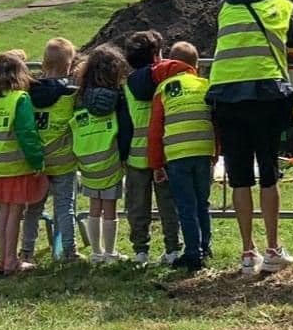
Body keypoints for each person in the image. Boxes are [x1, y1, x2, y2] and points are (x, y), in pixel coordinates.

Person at [205, 0, 293, 276]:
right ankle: (273, 249)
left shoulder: (224, 7)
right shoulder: (280, 6)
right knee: (268, 172)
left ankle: (247, 253)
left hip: (227, 97)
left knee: (238, 177)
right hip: (265, 96)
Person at [149, 41, 216, 272]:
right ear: (196, 65)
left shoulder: (163, 89)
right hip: (203, 151)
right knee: (202, 203)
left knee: (186, 206)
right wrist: (216, 151)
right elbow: (215, 121)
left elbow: (156, 130)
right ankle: (205, 247)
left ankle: (192, 253)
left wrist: (157, 163)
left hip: (177, 155)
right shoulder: (205, 85)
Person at [0, 50, 47, 275]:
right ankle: (11, 260)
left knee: (3, 213)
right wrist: (37, 160)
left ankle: (2, 259)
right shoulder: (20, 99)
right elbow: (27, 132)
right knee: (15, 213)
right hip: (15, 163)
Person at [121, 31, 181, 267]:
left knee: (137, 205)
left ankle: (140, 251)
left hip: (136, 157)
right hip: (164, 153)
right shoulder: (165, 82)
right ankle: (173, 248)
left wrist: (123, 153)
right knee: (168, 204)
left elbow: (125, 123)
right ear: (157, 55)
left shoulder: (126, 87)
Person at [73, 44, 136, 264]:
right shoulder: (119, 97)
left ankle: (96, 252)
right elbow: (126, 128)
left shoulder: (80, 97)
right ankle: (110, 252)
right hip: (112, 158)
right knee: (110, 208)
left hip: (88, 160)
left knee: (93, 207)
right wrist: (125, 155)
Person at [20, 37, 79, 264]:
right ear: (69, 66)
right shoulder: (71, 95)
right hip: (63, 161)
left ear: (43, 64)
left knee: (33, 209)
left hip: (37, 162)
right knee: (65, 207)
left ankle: (26, 251)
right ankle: (69, 251)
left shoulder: (27, 94)